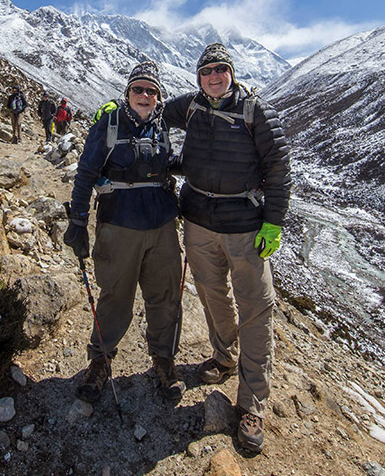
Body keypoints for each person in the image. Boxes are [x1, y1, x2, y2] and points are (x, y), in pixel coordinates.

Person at [104, 44, 288, 452]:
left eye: (221, 69)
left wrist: (273, 221)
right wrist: (113, 110)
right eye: (207, 70)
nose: (214, 76)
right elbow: (146, 110)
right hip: (199, 222)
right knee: (211, 295)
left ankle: (252, 402)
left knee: (256, 308)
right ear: (198, 76)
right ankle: (224, 358)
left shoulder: (257, 112)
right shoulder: (188, 106)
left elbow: (278, 168)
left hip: (244, 227)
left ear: (232, 73)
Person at [63, 62, 185, 404]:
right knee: (115, 296)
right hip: (118, 225)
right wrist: (78, 220)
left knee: (164, 296)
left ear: (159, 97)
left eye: (151, 91)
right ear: (128, 92)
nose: (144, 96)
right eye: (138, 89)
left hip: (162, 226)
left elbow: (166, 163)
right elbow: (86, 172)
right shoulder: (109, 123)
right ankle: (100, 360)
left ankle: (163, 360)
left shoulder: (161, 126)